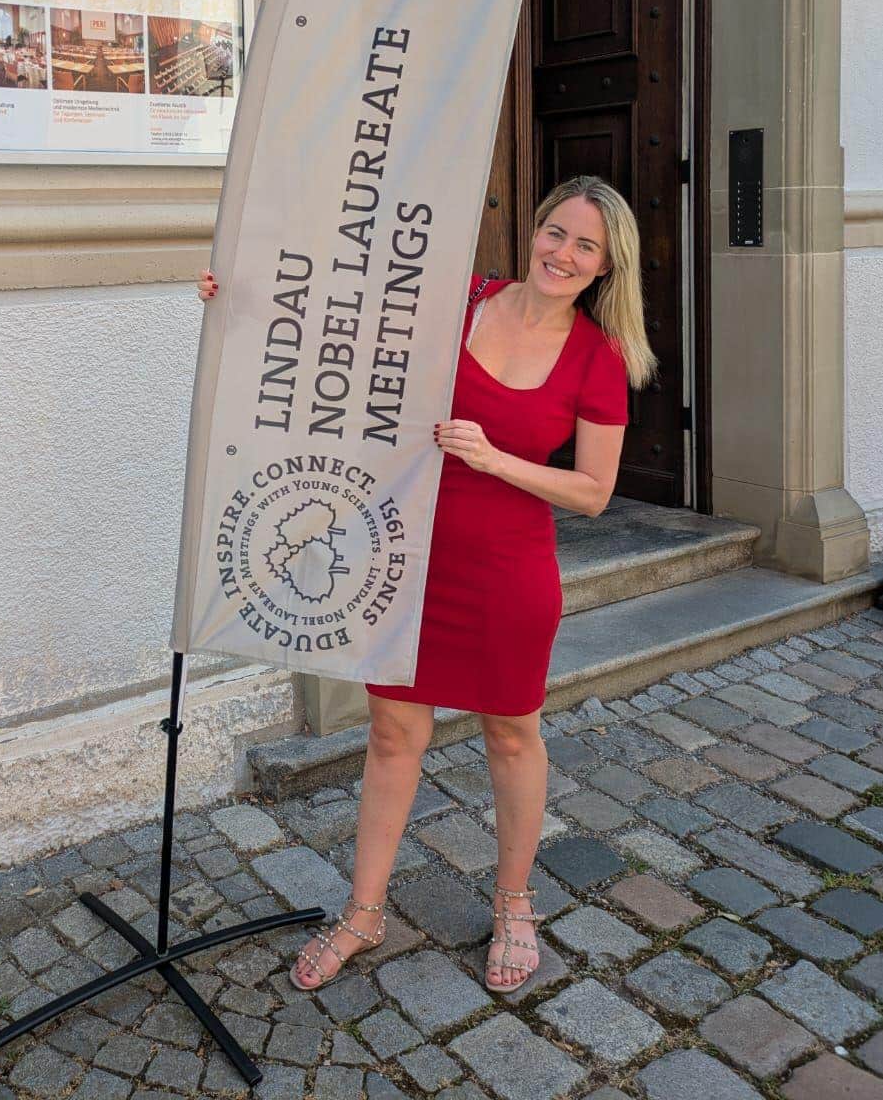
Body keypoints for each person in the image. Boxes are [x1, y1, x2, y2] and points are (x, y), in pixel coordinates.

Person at [197, 174, 655, 996]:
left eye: (584, 245)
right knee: (389, 736)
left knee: (511, 737)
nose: (562, 252)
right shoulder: (456, 296)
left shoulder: (599, 357)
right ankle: (364, 910)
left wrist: (490, 458)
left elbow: (590, 492)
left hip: (505, 572)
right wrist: (241, 301)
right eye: (554, 231)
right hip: (403, 556)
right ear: (535, 229)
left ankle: (514, 903)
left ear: (604, 266)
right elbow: (331, 320)